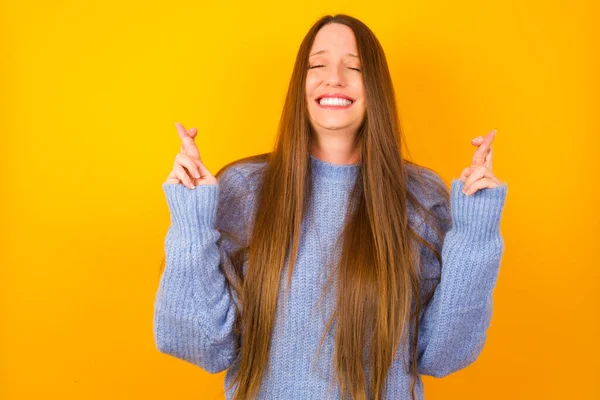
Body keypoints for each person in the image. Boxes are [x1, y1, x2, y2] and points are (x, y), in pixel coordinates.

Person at [154, 13, 508, 400]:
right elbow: (201, 346)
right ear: (299, 85)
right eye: (317, 65)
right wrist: (190, 222)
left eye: (353, 67)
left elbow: (443, 355)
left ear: (375, 86)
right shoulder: (244, 190)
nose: (334, 77)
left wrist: (476, 231)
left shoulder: (422, 196)